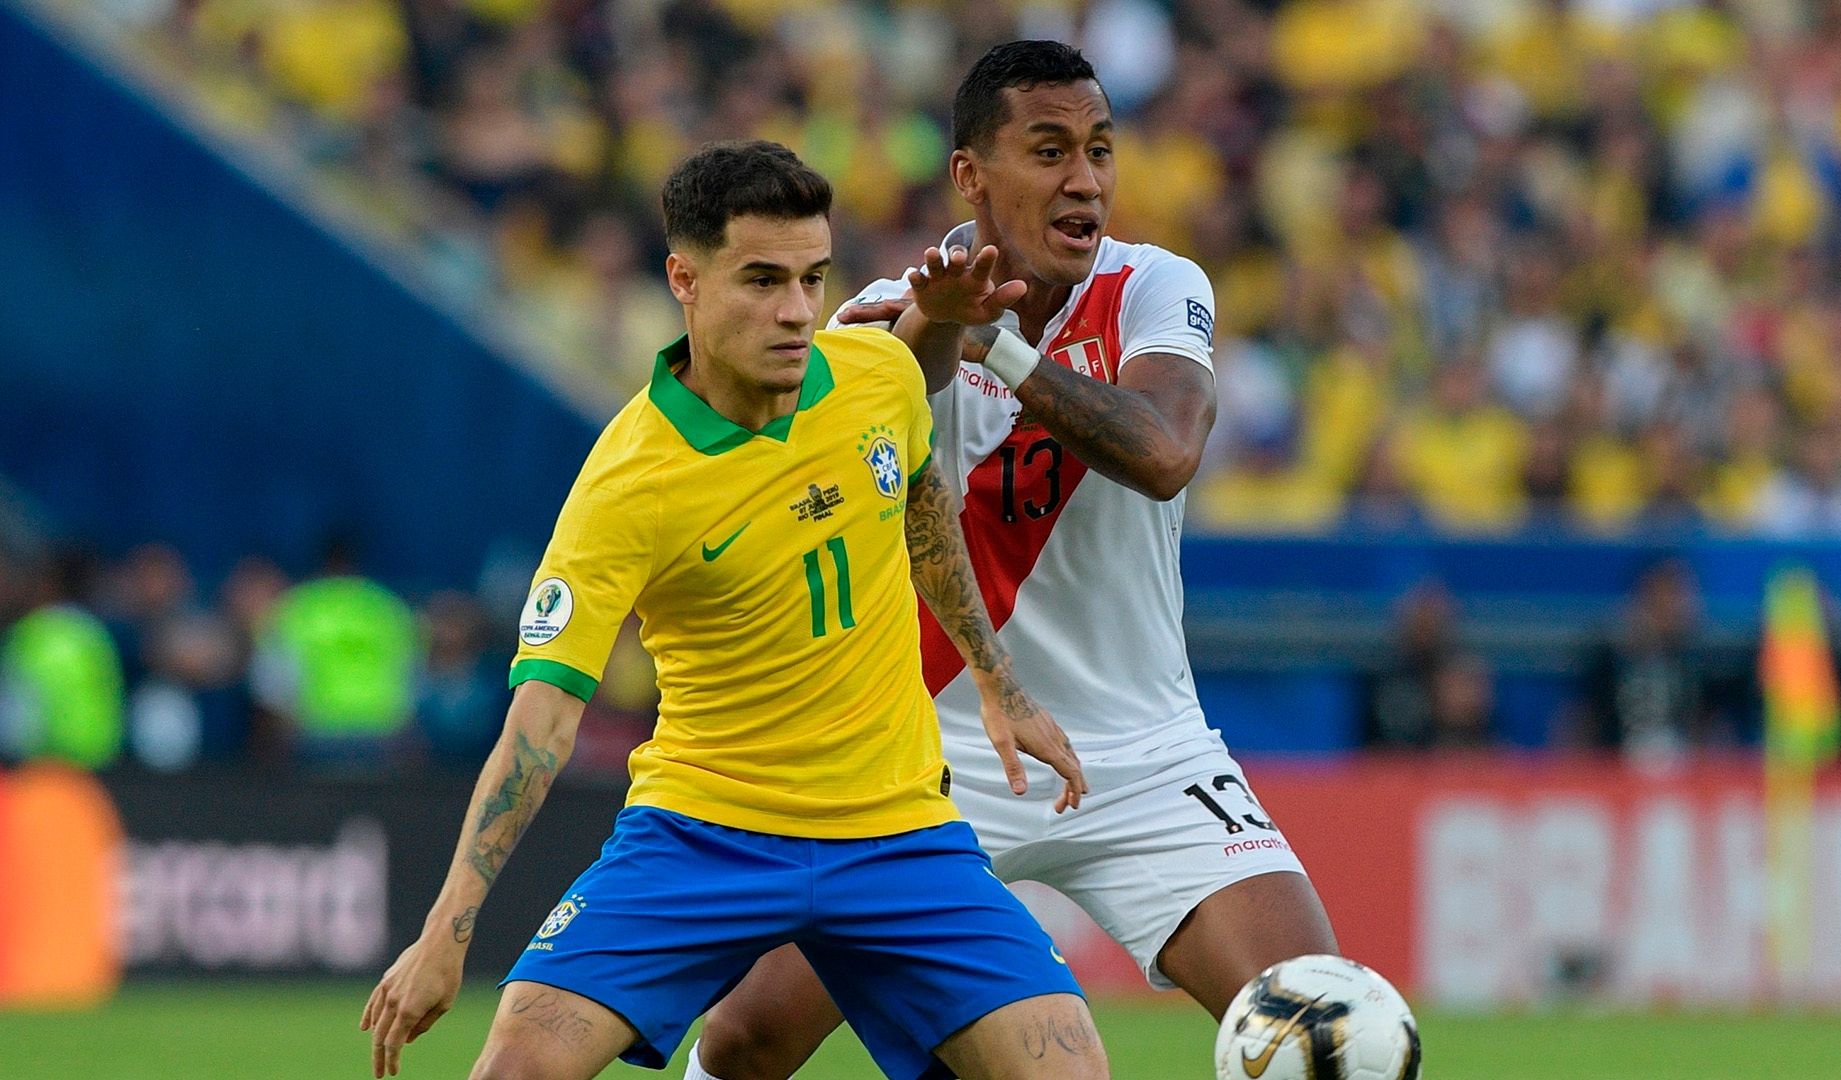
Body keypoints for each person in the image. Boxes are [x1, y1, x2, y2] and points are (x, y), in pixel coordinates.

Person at [361, 140, 1107, 1080]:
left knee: (1071, 1073)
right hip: (701, 834)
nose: (797, 311)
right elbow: (541, 720)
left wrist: (1000, 684)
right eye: (761, 280)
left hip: (898, 833)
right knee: (515, 1069)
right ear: (685, 278)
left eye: (810, 279)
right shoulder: (629, 482)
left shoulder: (877, 378)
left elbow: (921, 508)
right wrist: (445, 932)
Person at [691, 41, 1337, 1080]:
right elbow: (886, 407)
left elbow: (1166, 454)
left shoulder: (1153, 287)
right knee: (744, 1038)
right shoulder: (872, 319)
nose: (1085, 178)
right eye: (1048, 151)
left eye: (1099, 149)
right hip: (927, 760)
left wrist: (1005, 347)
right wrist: (952, 330)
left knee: (1318, 1020)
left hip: (1146, 752)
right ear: (970, 176)